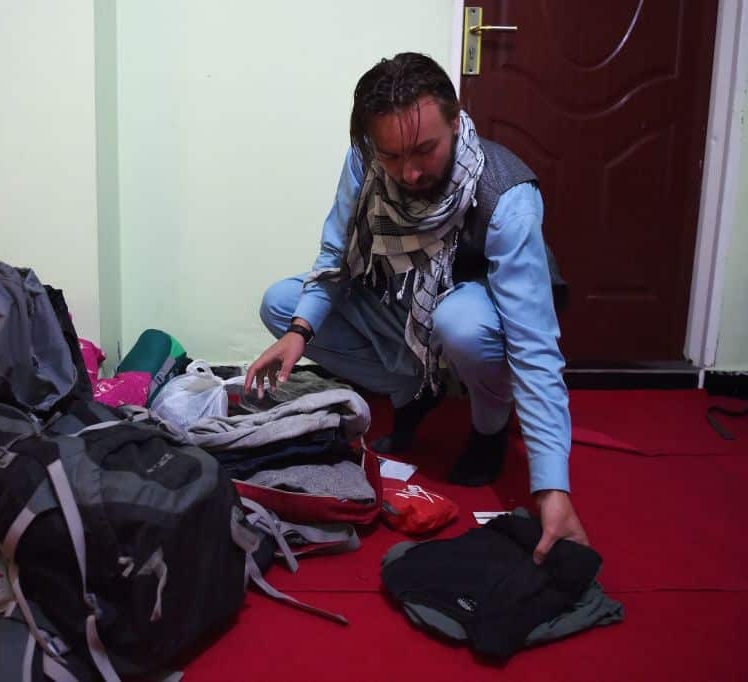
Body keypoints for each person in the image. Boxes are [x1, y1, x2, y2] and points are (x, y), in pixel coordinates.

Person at [244, 52, 587, 562]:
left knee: (460, 322)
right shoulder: (364, 160)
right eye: (391, 155)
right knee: (284, 303)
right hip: (400, 295)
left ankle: (489, 426)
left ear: (456, 120)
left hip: (475, 307)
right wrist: (298, 332)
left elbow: (534, 347)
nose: (409, 172)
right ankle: (412, 390)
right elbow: (336, 257)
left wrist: (552, 489)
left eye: (425, 149)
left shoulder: (507, 197)